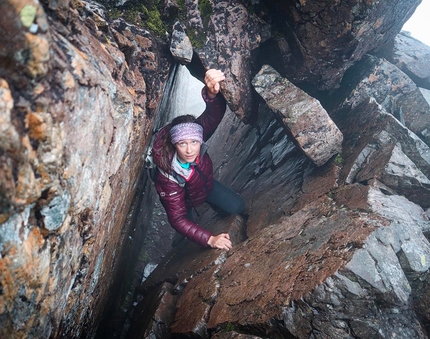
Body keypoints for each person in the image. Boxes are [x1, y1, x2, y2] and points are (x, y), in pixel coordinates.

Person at [151, 69, 244, 251]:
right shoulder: (167, 177)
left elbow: (212, 117)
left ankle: (213, 210)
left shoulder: (197, 137)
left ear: (200, 139)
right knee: (185, 241)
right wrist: (210, 239)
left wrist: (211, 94)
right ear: (174, 144)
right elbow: (178, 219)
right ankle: (177, 249)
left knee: (237, 206)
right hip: (183, 201)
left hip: (204, 187)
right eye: (182, 144)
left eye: (194, 142)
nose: (190, 150)